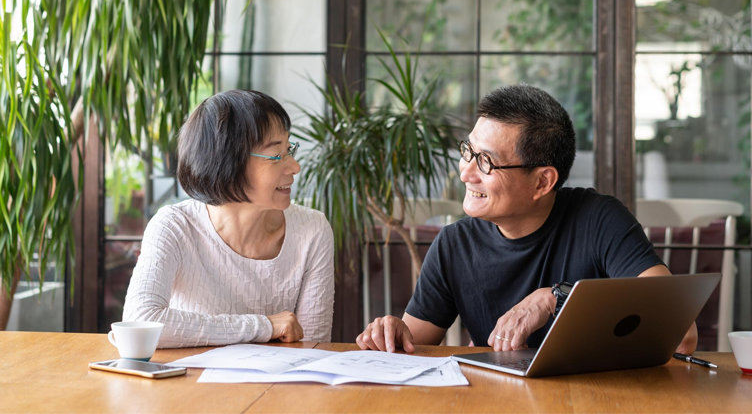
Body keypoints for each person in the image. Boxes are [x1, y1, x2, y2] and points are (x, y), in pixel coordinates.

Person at [356, 84, 697, 354]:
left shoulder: (598, 219)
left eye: (486, 162)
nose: (466, 173)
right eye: (467, 152)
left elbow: (680, 334)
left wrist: (557, 297)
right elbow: (413, 345)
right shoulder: (454, 244)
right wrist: (392, 335)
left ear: (542, 182)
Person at [123, 90, 334, 348]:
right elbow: (140, 321)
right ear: (227, 162)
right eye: (276, 155)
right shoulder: (174, 227)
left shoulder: (312, 230)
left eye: (289, 149)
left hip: (276, 387)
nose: (294, 167)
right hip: (187, 384)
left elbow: (313, 347)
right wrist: (263, 326)